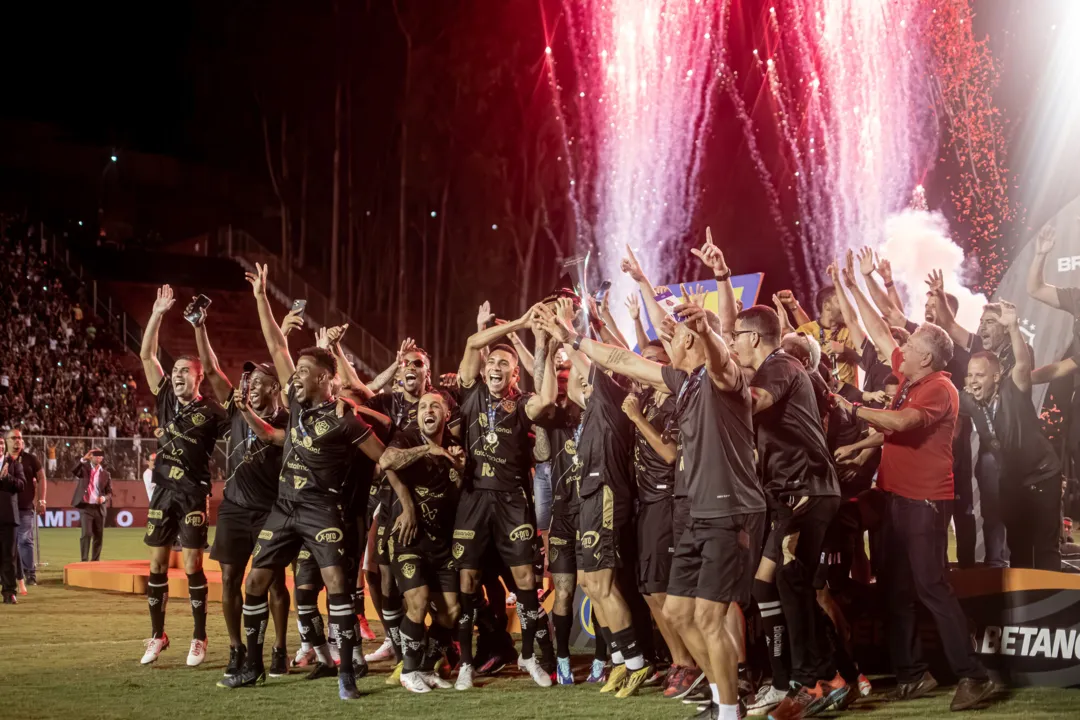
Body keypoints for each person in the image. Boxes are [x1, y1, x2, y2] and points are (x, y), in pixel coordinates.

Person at [219, 263, 388, 701]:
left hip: (321, 509)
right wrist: (260, 298)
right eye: (295, 373)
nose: (294, 376)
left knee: (336, 584)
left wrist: (415, 471)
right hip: (284, 506)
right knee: (254, 581)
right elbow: (277, 345)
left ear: (325, 379)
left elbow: (383, 458)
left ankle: (347, 671)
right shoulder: (297, 408)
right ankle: (253, 667)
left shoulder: (345, 419)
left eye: (303, 372)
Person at [830, 283, 995, 711]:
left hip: (923, 503)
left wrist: (853, 409)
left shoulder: (940, 387)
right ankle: (911, 674)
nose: (900, 348)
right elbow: (879, 332)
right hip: (894, 498)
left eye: (911, 344)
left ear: (926, 356)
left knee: (932, 588)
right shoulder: (912, 376)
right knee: (896, 589)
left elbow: (902, 423)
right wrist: (854, 284)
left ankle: (974, 676)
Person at [733, 305, 847, 719]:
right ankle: (827, 675)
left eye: (735, 335)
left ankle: (809, 682)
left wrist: (720, 392)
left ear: (754, 338)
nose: (731, 343)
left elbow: (754, 400)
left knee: (791, 581)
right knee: (770, 585)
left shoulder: (778, 365)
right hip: (792, 493)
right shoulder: (775, 365)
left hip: (806, 491)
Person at [538, 298, 654, 698]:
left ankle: (636, 664)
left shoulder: (611, 398)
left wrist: (568, 329)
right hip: (589, 497)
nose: (581, 385)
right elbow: (574, 382)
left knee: (601, 582)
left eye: (588, 380)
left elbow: (588, 365)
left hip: (605, 494)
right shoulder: (590, 410)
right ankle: (622, 660)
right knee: (589, 581)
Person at [451, 303, 557, 691]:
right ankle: (465, 662)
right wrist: (518, 324)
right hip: (474, 498)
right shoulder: (471, 391)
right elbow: (471, 341)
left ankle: (528, 654)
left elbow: (546, 400)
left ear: (515, 374)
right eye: (491, 362)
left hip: (513, 500)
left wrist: (541, 342)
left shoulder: (523, 401)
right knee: (468, 580)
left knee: (526, 579)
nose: (496, 367)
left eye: (505, 365)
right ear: (484, 368)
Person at [188, 301, 292, 680]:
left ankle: (279, 648)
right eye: (247, 380)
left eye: (259, 381)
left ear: (275, 388)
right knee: (230, 580)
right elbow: (212, 368)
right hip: (233, 507)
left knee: (275, 582)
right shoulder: (235, 408)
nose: (249, 385)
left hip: (271, 510)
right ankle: (236, 649)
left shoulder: (287, 419)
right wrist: (200, 326)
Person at [138, 284, 228, 667]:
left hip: (193, 492)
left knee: (192, 565)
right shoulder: (162, 397)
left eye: (183, 372)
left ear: (198, 378)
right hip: (162, 491)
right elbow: (145, 354)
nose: (175, 376)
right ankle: (157, 635)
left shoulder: (212, 411)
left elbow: (237, 431)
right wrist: (158, 313)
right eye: (173, 371)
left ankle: (199, 636)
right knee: (157, 565)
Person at [963, 302, 1062, 571]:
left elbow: (1021, 363)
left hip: (1042, 476)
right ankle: (1023, 609)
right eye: (969, 375)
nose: (972, 381)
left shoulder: (1014, 388)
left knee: (1044, 549)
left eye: (979, 375)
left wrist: (1014, 327)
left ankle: (1051, 609)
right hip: (1012, 483)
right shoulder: (970, 400)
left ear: (996, 377)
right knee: (1018, 548)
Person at [379, 390, 464, 693]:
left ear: (446, 416)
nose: (428, 411)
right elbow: (386, 460)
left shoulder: (457, 447)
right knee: (416, 602)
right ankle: (408, 669)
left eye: (435, 407)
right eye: (423, 407)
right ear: (416, 416)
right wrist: (429, 451)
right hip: (410, 538)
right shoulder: (406, 438)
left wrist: (459, 466)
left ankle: (426, 668)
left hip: (443, 544)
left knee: (451, 611)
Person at [4, 429, 45, 591]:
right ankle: (9, 574)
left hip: (24, 507)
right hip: (5, 509)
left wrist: (42, 499)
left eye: (20, 438)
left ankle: (30, 574)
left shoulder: (30, 459)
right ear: (6, 441)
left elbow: (42, 477)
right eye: (14, 438)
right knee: (7, 543)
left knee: (24, 540)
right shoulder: (3, 460)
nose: (18, 441)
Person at [71, 449, 111, 562]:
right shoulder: (84, 469)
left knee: (98, 536)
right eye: (95, 456)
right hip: (86, 506)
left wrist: (104, 498)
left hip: (99, 508)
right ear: (91, 457)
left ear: (102, 458)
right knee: (86, 533)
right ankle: (84, 560)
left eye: (100, 456)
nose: (98, 458)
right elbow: (74, 471)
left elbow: (109, 492)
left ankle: (95, 561)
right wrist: (83, 459)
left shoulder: (106, 474)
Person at [1, 452, 26, 604]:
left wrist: (7, 477)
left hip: (8, 518)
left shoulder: (14, 465)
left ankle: (9, 592)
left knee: (9, 557)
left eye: (2, 443)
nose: (0, 446)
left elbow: (22, 485)